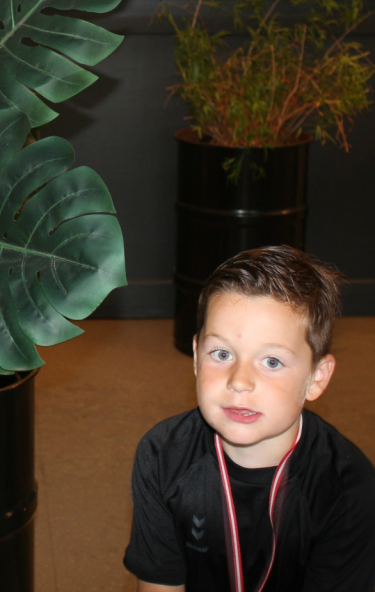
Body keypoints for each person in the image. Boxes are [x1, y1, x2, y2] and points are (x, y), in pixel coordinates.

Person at [123, 246, 375, 591]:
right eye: (221, 354)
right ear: (196, 357)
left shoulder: (347, 489)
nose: (239, 381)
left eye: (272, 362)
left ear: (316, 378)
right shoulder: (162, 457)